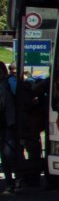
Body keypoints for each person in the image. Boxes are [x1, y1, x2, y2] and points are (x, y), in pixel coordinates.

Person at [0, 62, 16, 191]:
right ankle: (9, 182)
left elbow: (18, 95)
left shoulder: (9, 82)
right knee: (4, 155)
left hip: (9, 123)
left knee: (8, 153)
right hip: (3, 123)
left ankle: (18, 179)